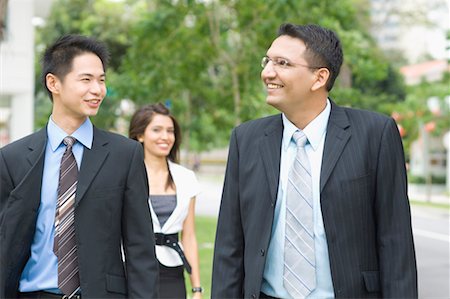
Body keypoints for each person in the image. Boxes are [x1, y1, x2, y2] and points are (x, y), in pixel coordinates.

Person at [211, 23, 417, 299]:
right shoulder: (246, 140)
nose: (267, 73)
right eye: (267, 61)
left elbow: (396, 243)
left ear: (319, 78)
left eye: (282, 63)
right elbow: (229, 245)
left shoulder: (375, 135)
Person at [0, 35, 159, 298]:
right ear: (54, 83)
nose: (98, 89)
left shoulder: (124, 154)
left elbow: (140, 248)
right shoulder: (12, 158)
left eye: (102, 80)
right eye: (86, 79)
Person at [129, 103, 203, 299]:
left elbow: (189, 236)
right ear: (140, 135)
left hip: (173, 271)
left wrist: (196, 288)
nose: (165, 137)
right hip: (133, 269)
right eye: (157, 130)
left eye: (170, 131)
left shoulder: (186, 178)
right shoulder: (126, 175)